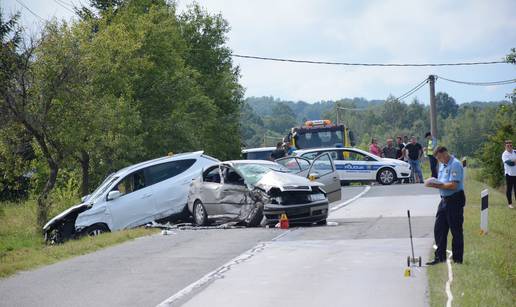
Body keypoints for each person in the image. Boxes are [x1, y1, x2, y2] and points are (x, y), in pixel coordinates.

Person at [425, 146, 466, 265]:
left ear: (445, 153)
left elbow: (453, 185)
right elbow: (441, 181)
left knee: (455, 230)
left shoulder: (455, 164)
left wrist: (437, 186)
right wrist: (433, 182)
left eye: (439, 157)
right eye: (437, 158)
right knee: (439, 229)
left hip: (455, 199)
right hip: (444, 200)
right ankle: (440, 257)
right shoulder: (442, 165)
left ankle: (458, 259)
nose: (439, 160)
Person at [502, 140, 516, 209]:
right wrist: (513, 161)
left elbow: (513, 162)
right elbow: (510, 164)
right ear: (505, 146)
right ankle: (510, 203)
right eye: (508, 145)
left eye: (510, 145)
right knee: (509, 189)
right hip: (509, 174)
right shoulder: (504, 154)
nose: (509, 147)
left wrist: (513, 161)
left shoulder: (515, 152)